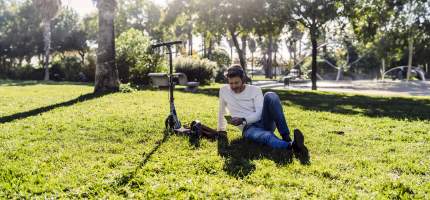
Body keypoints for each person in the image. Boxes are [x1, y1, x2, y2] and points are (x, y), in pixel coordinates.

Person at [217, 65, 305, 152]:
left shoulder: (255, 90)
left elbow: (259, 113)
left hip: (264, 121)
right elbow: (222, 111)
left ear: (243, 80)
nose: (233, 86)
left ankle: (286, 136)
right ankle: (291, 145)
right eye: (231, 83)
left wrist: (242, 120)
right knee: (266, 135)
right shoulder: (224, 91)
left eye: (236, 83)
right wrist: (221, 130)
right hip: (248, 129)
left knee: (271, 96)